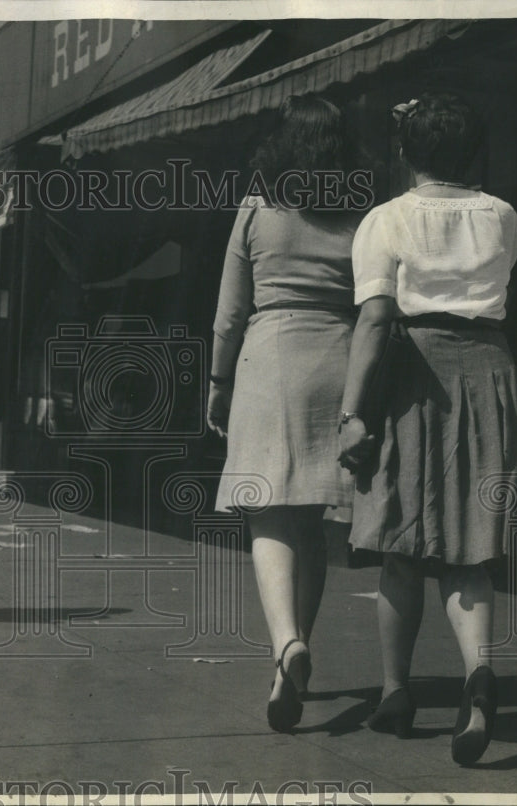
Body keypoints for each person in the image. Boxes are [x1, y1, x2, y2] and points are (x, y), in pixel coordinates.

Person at [337, 93, 517, 765]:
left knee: (399, 543)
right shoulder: (502, 215)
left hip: (413, 375)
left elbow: (372, 321)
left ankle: (396, 690)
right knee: (469, 548)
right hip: (489, 370)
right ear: (473, 150)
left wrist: (352, 412)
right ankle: (478, 675)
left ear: (403, 152)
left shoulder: (386, 220)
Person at [208, 95, 364, 732]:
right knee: (311, 520)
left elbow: (229, 313)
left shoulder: (257, 207)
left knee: (265, 508)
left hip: (270, 360)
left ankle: (286, 645)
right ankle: (288, 663)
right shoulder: (361, 213)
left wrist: (217, 382)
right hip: (338, 358)